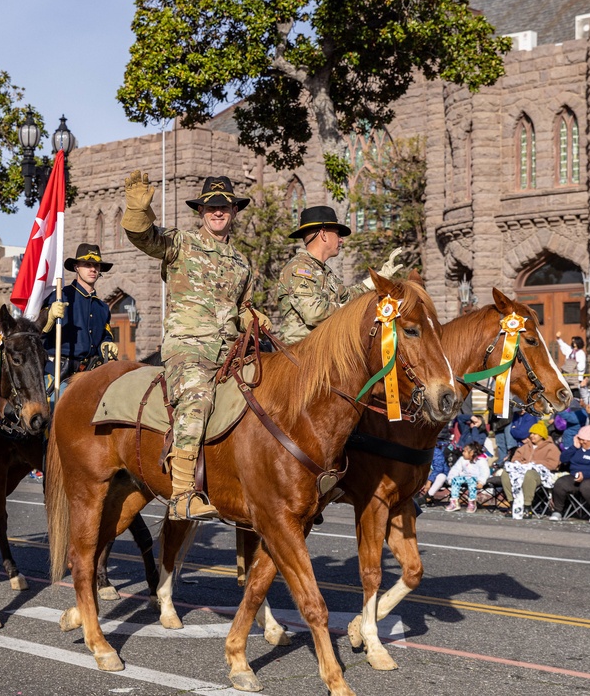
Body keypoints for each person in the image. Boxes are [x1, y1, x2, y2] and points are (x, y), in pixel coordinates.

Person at [122, 172, 258, 520]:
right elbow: (145, 237)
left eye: (224, 206)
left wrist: (253, 317)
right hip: (189, 346)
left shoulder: (242, 262)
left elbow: (238, 308)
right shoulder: (180, 242)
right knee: (197, 398)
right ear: (201, 211)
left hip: (228, 352)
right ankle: (182, 494)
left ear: (234, 211)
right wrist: (138, 211)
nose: (217, 212)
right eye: (211, 206)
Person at [275, 205, 402, 344]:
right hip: (301, 354)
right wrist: (353, 310)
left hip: (323, 350)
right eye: (338, 234)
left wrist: (377, 279)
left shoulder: (324, 271)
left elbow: (348, 297)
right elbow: (314, 313)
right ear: (323, 234)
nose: (341, 240)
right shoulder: (300, 268)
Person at [39, 243, 119, 400]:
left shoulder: (102, 307)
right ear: (76, 267)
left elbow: (105, 336)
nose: (93, 269)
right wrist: (48, 318)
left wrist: (106, 344)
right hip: (58, 374)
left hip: (89, 374)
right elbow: (37, 334)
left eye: (96, 265)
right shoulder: (60, 297)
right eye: (87, 265)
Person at [549, 425, 590, 524]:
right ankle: (558, 511)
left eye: (585, 440)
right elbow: (563, 459)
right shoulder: (577, 448)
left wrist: (585, 474)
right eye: (580, 439)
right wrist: (574, 447)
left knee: (586, 486)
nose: (582, 442)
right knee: (560, 483)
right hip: (574, 476)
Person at [502, 421, 561, 518]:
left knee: (530, 474)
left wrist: (533, 463)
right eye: (531, 433)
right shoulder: (525, 447)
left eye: (535, 434)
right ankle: (512, 504)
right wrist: (520, 463)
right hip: (521, 471)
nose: (532, 436)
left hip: (541, 474)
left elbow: (553, 464)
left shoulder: (551, 447)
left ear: (542, 435)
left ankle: (527, 506)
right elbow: (515, 459)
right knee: (506, 473)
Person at [445, 442, 490, 513]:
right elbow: (455, 469)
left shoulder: (481, 460)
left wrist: (481, 481)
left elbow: (485, 472)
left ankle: (472, 502)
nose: (463, 453)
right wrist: (451, 478)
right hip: (465, 477)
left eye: (465, 451)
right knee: (455, 480)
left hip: (476, 478)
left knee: (472, 481)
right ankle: (454, 502)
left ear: (471, 453)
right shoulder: (462, 459)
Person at [555, 332, 586, 399]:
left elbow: (581, 366)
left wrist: (580, 377)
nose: (574, 343)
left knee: (575, 390)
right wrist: (558, 338)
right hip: (567, 372)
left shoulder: (581, 353)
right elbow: (563, 345)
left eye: (575, 342)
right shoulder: (570, 350)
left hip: (575, 374)